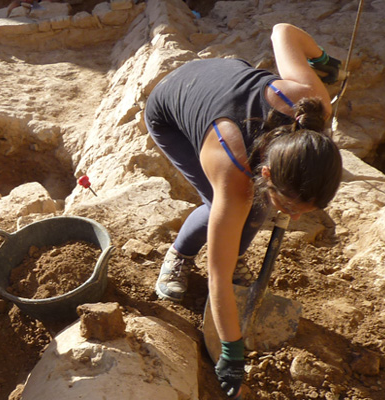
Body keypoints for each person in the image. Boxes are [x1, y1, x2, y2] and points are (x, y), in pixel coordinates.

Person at [144, 23, 343, 398]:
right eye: (289, 206)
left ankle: (233, 243)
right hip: (173, 105)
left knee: (252, 214)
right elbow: (217, 277)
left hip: (224, 76)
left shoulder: (313, 104)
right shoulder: (232, 168)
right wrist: (232, 352)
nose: (294, 219)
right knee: (236, 209)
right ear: (265, 172)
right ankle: (179, 255)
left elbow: (284, 32)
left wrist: (321, 60)